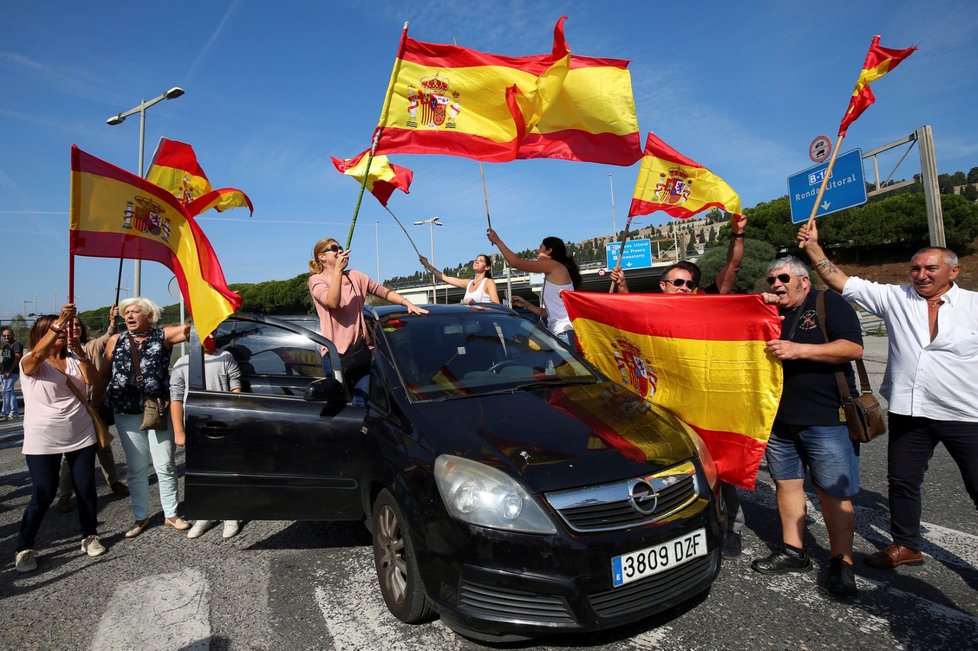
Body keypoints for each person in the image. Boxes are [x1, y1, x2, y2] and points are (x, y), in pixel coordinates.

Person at [798, 221, 978, 570]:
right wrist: (813, 249)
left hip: (965, 414)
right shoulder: (897, 298)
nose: (921, 274)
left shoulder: (974, 305)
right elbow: (841, 282)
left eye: (930, 268)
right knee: (902, 481)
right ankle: (906, 545)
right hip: (911, 412)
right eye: (915, 268)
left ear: (954, 270)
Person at [611, 216, 749, 558]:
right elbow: (627, 322)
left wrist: (738, 234)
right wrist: (623, 289)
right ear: (663, 286)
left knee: (722, 464)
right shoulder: (653, 310)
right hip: (667, 405)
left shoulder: (705, 303)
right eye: (678, 282)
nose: (685, 288)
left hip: (706, 400)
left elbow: (731, 269)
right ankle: (672, 523)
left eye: (690, 283)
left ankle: (732, 527)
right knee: (669, 465)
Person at [749, 256, 863, 598]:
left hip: (827, 418)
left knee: (833, 492)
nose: (776, 284)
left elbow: (853, 347)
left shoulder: (828, 303)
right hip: (779, 419)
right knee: (786, 484)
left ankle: (841, 563)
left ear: (804, 280)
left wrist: (798, 350)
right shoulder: (769, 311)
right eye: (770, 280)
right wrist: (758, 307)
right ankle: (793, 551)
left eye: (783, 277)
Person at [14, 305, 107, 572]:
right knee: (43, 493)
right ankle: (24, 547)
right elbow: (40, 354)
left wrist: (79, 351)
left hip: (80, 433)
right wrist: (61, 322)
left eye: (66, 329)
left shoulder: (75, 359)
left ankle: (89, 536)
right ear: (43, 333)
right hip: (43, 438)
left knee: (86, 488)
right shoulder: (30, 361)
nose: (65, 333)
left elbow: (92, 381)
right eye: (59, 330)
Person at [101, 297, 190, 538]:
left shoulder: (163, 336)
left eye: (135, 312)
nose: (129, 316)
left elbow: (194, 330)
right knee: (137, 468)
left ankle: (171, 514)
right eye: (126, 312)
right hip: (125, 412)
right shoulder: (114, 340)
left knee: (165, 464)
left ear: (149, 316)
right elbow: (102, 375)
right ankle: (140, 517)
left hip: (157, 408)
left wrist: (206, 304)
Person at [308, 238, 427, 405]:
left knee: (362, 403)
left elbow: (382, 291)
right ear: (322, 257)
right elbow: (332, 302)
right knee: (338, 405)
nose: (340, 251)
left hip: (360, 351)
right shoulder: (317, 280)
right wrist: (337, 272)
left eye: (340, 247)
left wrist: (407, 303)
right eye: (334, 248)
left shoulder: (355, 276)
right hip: (335, 355)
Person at [55, 307, 129, 512]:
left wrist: (113, 321)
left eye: (77, 325)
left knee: (103, 446)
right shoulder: (60, 353)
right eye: (70, 325)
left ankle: (113, 481)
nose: (74, 328)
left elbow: (108, 337)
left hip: (94, 405)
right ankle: (65, 495)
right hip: (72, 408)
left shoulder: (91, 346)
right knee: (69, 454)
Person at [170, 334, 243, 539]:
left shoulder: (225, 357)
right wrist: (179, 431)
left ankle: (230, 514)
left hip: (223, 422)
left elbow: (236, 390)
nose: (209, 336)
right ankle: (205, 515)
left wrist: (234, 417)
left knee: (226, 469)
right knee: (200, 472)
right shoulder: (182, 363)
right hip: (196, 425)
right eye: (204, 331)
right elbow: (175, 398)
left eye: (212, 331)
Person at [486, 229, 582, 347]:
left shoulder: (554, 266)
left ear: (549, 251)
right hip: (559, 333)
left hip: (565, 332)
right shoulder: (554, 270)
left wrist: (497, 241)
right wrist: (527, 304)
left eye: (540, 247)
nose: (537, 251)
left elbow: (515, 263)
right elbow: (549, 313)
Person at [419, 253, 500, 304]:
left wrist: (476, 304)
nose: (476, 262)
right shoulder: (469, 283)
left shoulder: (488, 282)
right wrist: (427, 264)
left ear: (487, 267)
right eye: (476, 260)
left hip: (485, 324)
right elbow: (445, 278)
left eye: (481, 261)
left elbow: (497, 305)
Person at [2, 326, 24, 420]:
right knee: (9, 392)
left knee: (6, 391)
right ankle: (13, 412)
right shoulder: (5, 346)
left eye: (8, 335)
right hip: (4, 372)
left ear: (13, 335)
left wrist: (10, 371)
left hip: (12, 372)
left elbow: (17, 358)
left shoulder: (16, 344)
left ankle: (6, 412)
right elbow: (5, 360)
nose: (6, 337)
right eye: (4, 335)